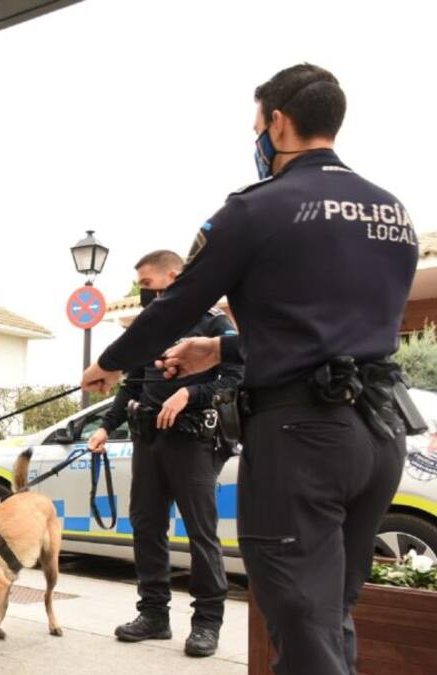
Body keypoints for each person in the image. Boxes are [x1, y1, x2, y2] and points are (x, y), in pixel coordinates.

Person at [82, 64, 418, 675]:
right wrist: (222, 351)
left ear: (278, 123)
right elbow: (333, 333)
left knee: (301, 626)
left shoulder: (256, 208)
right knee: (330, 614)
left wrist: (109, 363)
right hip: (380, 431)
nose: (257, 138)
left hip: (303, 437)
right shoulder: (392, 211)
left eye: (257, 124)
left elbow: (179, 303)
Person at [88, 250, 242, 657]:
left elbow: (237, 377)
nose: (143, 296)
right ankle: (154, 615)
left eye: (148, 286)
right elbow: (132, 383)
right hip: (149, 440)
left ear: (174, 278)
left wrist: (191, 392)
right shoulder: (149, 328)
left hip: (193, 441)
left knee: (201, 534)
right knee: (147, 527)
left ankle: (207, 623)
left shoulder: (213, 323)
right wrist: (106, 425)